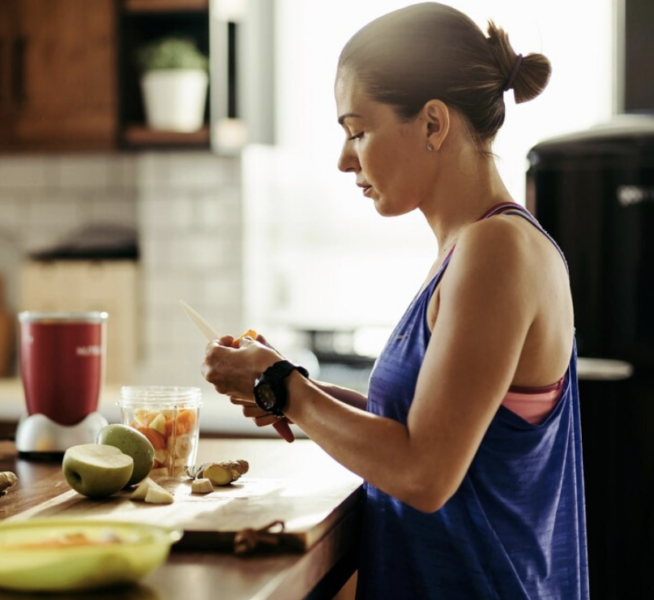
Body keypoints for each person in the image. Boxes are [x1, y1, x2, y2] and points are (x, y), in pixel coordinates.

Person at [201, 2, 588, 599]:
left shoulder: (497, 251)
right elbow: (423, 427)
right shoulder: (471, 248)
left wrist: (287, 389)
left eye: (358, 131)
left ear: (433, 124)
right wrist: (286, 384)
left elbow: (424, 473)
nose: (343, 158)